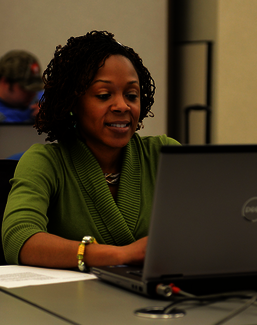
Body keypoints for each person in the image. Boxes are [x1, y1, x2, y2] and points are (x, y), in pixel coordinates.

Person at [2, 31, 179, 270]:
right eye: (104, 95)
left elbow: (213, 222)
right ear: (72, 102)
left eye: (131, 95)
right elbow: (19, 239)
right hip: (69, 303)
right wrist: (119, 255)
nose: (122, 106)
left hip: (161, 299)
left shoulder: (164, 154)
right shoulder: (45, 162)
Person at [0, 50, 44, 123]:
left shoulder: (47, 100)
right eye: (26, 88)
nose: (33, 94)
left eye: (36, 88)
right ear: (5, 82)